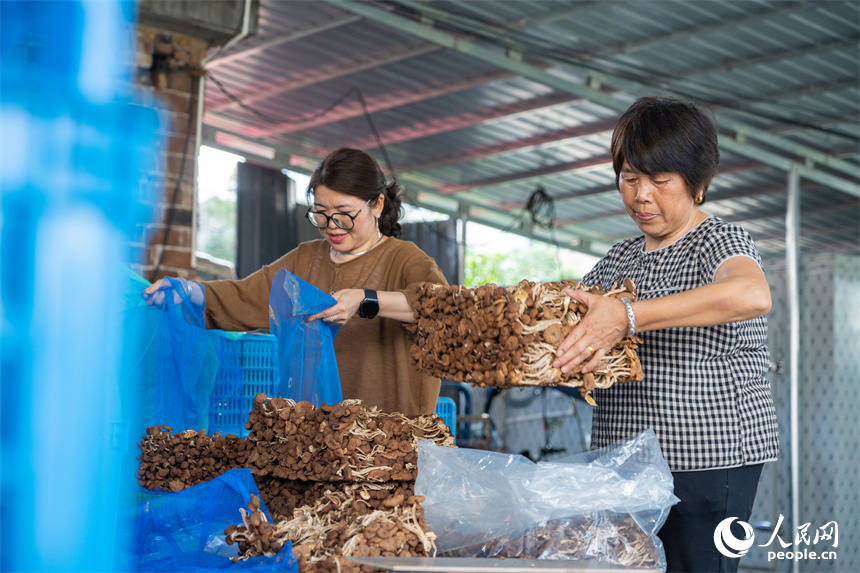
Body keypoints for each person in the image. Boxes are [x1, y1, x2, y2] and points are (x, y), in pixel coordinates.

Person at [552, 97, 779, 573]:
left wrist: (628, 317)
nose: (641, 196)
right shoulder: (619, 259)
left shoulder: (718, 241)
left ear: (698, 184)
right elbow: (563, 318)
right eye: (630, 178)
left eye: (660, 181)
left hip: (707, 463)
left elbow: (751, 293)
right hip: (624, 466)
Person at [143, 147, 448, 417]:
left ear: (377, 205)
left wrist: (364, 299)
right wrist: (190, 292)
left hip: (389, 441)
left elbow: (440, 307)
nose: (332, 226)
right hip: (319, 437)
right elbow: (248, 295)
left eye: (344, 214)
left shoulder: (405, 260)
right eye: (321, 214)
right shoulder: (305, 259)